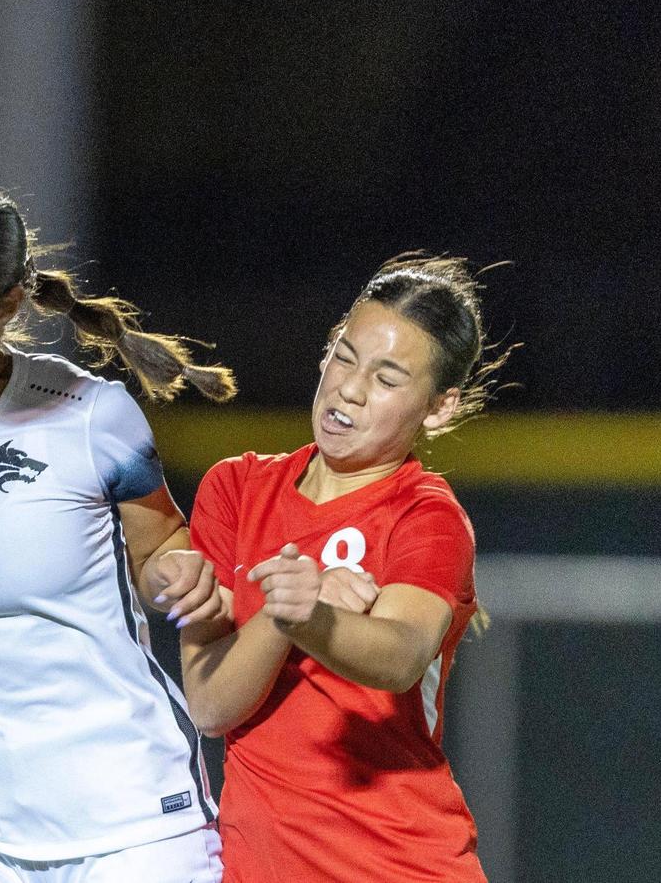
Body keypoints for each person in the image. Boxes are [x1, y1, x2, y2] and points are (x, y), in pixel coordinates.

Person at [0, 179, 234, 883]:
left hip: (127, 825)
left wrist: (180, 576)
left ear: (6, 305)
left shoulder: (89, 415)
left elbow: (159, 550)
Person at [181, 254, 516, 883]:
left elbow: (398, 655)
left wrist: (309, 613)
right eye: (345, 355)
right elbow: (209, 704)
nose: (350, 389)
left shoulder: (427, 517)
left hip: (397, 863)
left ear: (439, 408)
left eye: (388, 378)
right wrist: (287, 615)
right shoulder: (235, 488)